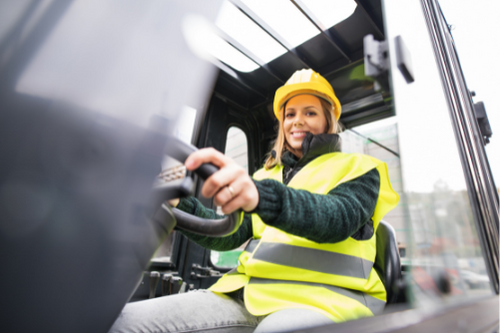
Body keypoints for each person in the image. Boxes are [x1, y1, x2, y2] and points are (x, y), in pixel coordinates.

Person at [109, 69, 399, 333]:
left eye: (310, 113)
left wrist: (261, 197)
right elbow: (230, 232)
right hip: (249, 295)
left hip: (327, 301)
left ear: (328, 120)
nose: (297, 121)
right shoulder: (266, 175)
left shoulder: (361, 168)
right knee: (124, 323)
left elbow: (336, 219)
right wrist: (178, 204)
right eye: (290, 114)